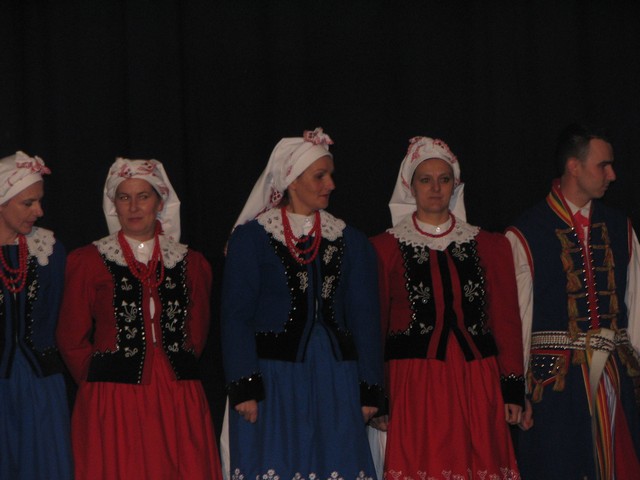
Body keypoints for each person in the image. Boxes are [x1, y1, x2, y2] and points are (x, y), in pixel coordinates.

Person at [221, 128, 384, 479]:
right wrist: (244, 385)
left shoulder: (350, 241)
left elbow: (366, 318)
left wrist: (369, 388)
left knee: (335, 460)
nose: (331, 185)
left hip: (335, 377)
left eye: (330, 175)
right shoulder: (252, 239)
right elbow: (236, 315)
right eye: (320, 176)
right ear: (292, 181)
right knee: (277, 460)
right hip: (273, 378)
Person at [56, 158, 222, 479]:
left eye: (143, 197)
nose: (133, 207)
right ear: (114, 205)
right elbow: (71, 334)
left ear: (159, 202)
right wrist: (97, 379)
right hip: (113, 396)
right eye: (124, 197)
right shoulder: (88, 261)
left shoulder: (191, 262)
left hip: (177, 393)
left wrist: (176, 365)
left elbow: (197, 330)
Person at [369, 137, 524, 478]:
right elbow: (374, 326)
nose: (436, 188)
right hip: (415, 383)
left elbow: (506, 320)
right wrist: (378, 396)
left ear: (455, 184)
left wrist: (512, 387)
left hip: (476, 378)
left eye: (444, 179)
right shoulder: (384, 249)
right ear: (411, 186)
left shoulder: (491, 246)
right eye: (426, 180)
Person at [506, 123, 640, 479]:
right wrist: (517, 391)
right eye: (603, 165)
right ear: (574, 167)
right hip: (554, 386)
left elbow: (637, 308)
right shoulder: (527, 232)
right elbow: (517, 319)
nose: (612, 175)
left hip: (613, 379)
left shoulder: (619, 227)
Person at [0, 151, 72, 479]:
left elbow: (59, 315)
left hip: (40, 385)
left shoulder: (49, 251)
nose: (39, 211)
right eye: (28, 203)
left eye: (39, 201)